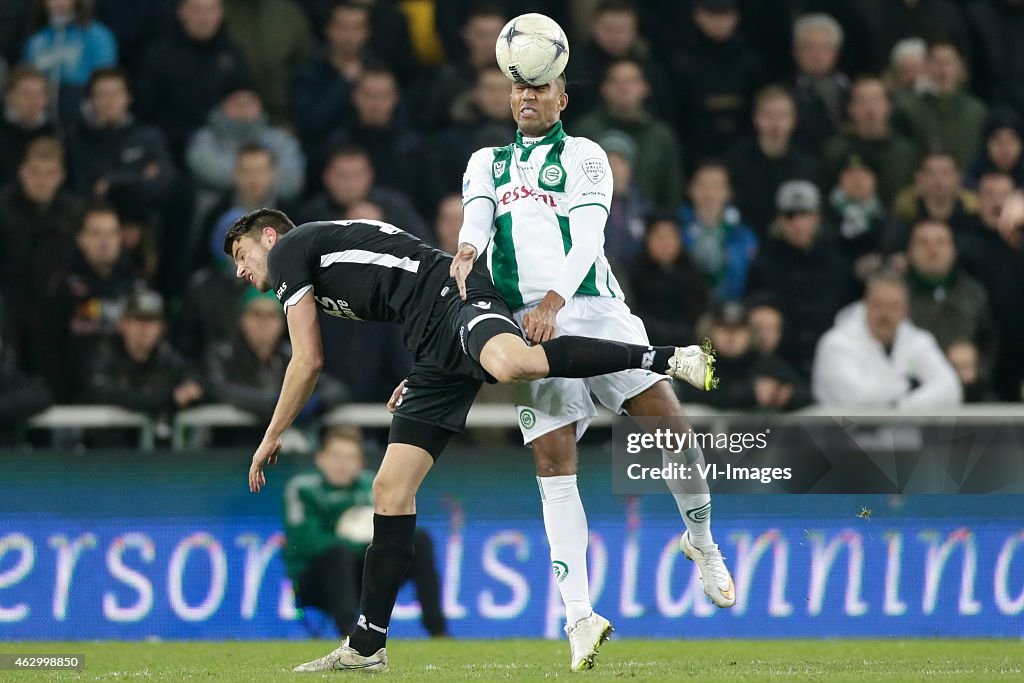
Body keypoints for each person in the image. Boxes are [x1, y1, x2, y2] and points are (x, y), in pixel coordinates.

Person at [223, 207, 715, 673]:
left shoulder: (290, 248)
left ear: (269, 236)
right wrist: (422, 367)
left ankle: (665, 358)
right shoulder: (318, 254)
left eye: (242, 255)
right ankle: (366, 646)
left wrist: (272, 434)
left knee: (511, 363)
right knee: (390, 490)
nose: (241, 272)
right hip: (428, 338)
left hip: (454, 294)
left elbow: (307, 359)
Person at [452, 72, 735, 673]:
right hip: (527, 322)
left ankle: (702, 543)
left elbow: (588, 235)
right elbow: (475, 219)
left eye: (540, 88)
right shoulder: (486, 162)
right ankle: (579, 615)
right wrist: (468, 251)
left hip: (595, 309)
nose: (527, 97)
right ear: (510, 99)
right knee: (554, 463)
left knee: (670, 426)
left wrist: (557, 297)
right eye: (518, 89)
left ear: (562, 99)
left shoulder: (585, 156)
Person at [284, 426, 446, 639]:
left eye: (350, 457)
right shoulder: (302, 488)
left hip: (365, 574)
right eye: (335, 456)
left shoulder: (371, 486)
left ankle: (438, 631)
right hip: (316, 579)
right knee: (338, 553)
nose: (342, 464)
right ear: (320, 459)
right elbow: (306, 540)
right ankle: (352, 636)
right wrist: (359, 543)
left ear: (360, 463)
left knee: (419, 540)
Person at [746, 180, 856, 379]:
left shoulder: (836, 263)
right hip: (782, 364)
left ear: (817, 217)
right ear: (779, 219)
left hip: (831, 362)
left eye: (804, 214)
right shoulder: (763, 263)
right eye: (789, 216)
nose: (797, 223)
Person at [812, 272, 962, 408]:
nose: (885, 314)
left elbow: (950, 389)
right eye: (878, 305)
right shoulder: (836, 344)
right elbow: (856, 398)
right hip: (845, 436)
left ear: (905, 311)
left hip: (905, 435)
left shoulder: (918, 340)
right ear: (865, 304)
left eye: (893, 306)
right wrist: (909, 385)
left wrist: (904, 405)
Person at [133, 0, 250, 159]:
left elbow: (244, 99)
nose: (204, 18)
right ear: (181, 12)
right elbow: (145, 108)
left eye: (211, 10)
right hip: (171, 149)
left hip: (223, 147)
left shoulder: (232, 53)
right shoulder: (158, 54)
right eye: (197, 10)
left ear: (221, 13)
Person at [573, 57, 685, 211]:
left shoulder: (661, 136)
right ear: (604, 88)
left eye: (631, 81)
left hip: (649, 227)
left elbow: (672, 193)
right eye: (616, 81)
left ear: (645, 87)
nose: (623, 88)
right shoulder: (583, 133)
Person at [725, 85, 819, 236]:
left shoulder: (807, 166)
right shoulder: (736, 161)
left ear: (793, 120)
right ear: (756, 118)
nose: (775, 123)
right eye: (768, 115)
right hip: (746, 239)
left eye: (781, 115)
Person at [894, 39, 987, 171]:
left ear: (960, 66)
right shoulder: (907, 108)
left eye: (948, 63)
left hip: (966, 186)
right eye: (937, 63)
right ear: (926, 65)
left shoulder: (976, 111)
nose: (943, 70)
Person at [21, 0, 117, 125]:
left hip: (83, 116)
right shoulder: (37, 39)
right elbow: (26, 77)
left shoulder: (96, 35)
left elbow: (105, 78)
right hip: (42, 115)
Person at [679, 160, 758, 302]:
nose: (709, 194)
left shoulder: (744, 237)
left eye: (716, 186)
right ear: (690, 189)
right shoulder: (675, 230)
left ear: (728, 192)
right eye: (702, 185)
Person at [789, 13, 850, 155]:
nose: (817, 55)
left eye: (824, 47)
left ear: (835, 53)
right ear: (796, 52)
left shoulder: (852, 89)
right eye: (809, 47)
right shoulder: (786, 93)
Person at [0, 66, 54, 185]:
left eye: (39, 94)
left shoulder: (56, 132)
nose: (34, 101)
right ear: (9, 96)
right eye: (26, 94)